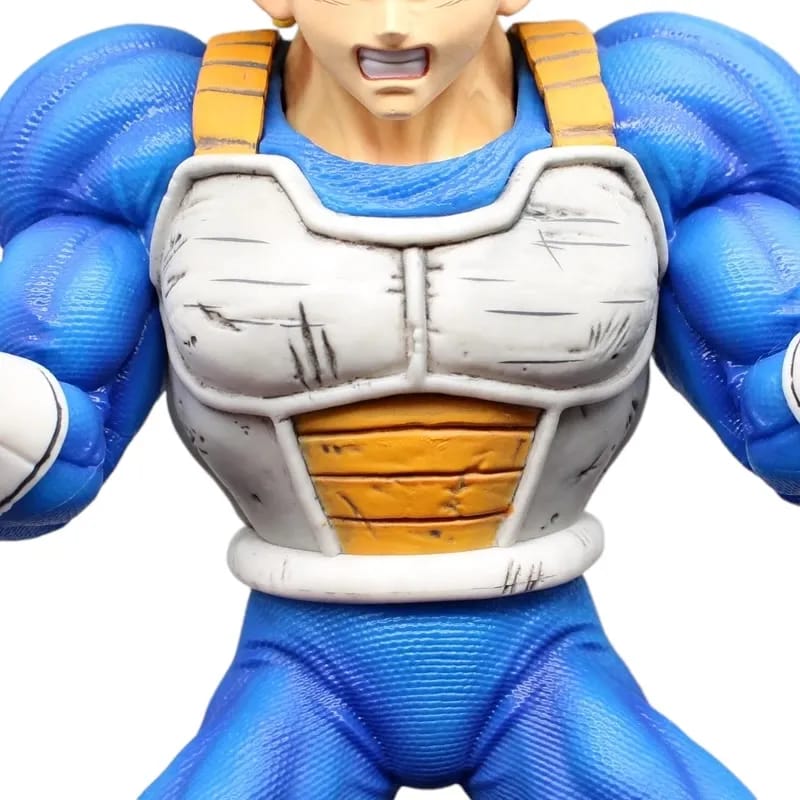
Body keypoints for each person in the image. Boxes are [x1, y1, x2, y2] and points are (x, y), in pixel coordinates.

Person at [0, 1, 798, 797]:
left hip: (543, 659)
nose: (389, 22)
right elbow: (57, 449)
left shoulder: (651, 126)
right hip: (305, 666)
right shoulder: (152, 142)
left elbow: (773, 408)